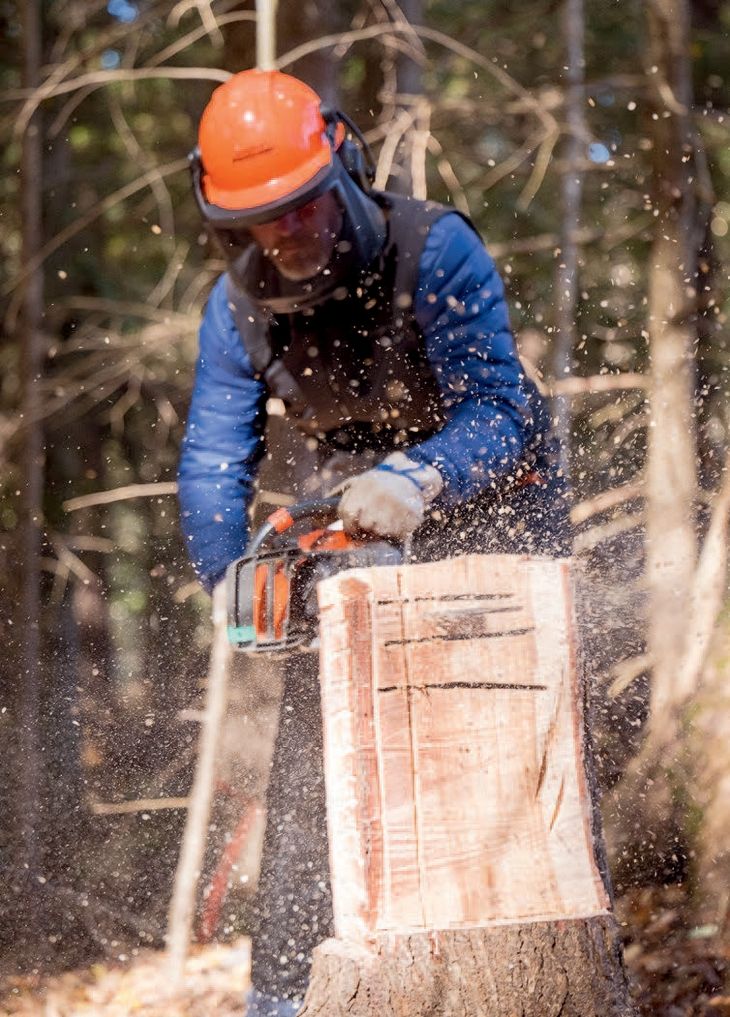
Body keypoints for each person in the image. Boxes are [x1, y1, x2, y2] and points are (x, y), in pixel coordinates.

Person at [178, 68, 570, 1016]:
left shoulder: (432, 249)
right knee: (326, 740)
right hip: (350, 483)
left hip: (487, 479)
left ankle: (527, 961)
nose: (288, 231)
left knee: (506, 725)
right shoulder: (235, 309)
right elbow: (210, 456)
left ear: (341, 160)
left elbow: (501, 410)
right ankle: (284, 992)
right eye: (262, 218)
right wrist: (226, 573)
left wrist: (422, 476)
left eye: (304, 205)